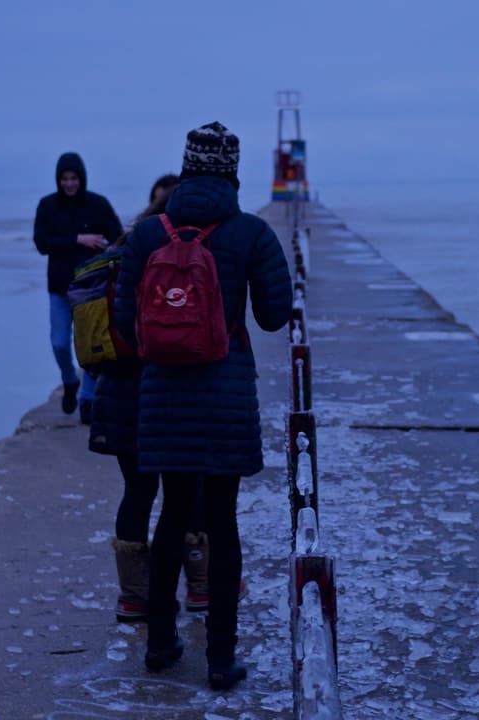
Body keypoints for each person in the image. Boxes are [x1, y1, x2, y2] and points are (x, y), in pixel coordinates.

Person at [114, 122, 292, 690]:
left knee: (169, 516)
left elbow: (123, 323)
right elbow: (274, 315)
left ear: (188, 168)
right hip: (225, 394)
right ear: (233, 173)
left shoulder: (145, 235)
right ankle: (219, 658)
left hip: (162, 396)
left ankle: (160, 644)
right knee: (221, 522)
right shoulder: (250, 233)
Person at [92, 173, 250, 623]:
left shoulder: (123, 249)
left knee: (137, 494)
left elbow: (115, 325)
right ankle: (200, 587)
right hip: (160, 390)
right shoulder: (184, 251)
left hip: (116, 391)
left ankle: (133, 597)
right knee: (190, 492)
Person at [32, 152, 124, 422]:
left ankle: (88, 399)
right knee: (60, 344)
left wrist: (106, 250)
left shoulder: (98, 204)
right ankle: (70, 381)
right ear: (58, 180)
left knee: (91, 347)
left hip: (92, 290)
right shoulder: (47, 206)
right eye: (64, 179)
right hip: (59, 288)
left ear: (81, 178)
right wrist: (78, 239)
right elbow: (41, 243)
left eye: (73, 178)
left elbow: (117, 237)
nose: (69, 184)